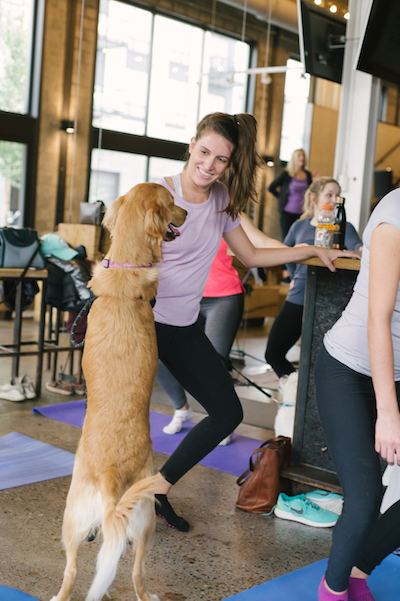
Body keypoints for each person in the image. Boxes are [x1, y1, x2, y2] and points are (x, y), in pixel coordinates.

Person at [152, 111, 356, 532]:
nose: (209, 165)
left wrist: (311, 252)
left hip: (184, 327)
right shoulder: (158, 193)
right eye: (204, 152)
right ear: (191, 145)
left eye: (221, 159)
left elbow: (253, 255)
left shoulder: (221, 200)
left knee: (226, 412)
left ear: (229, 163)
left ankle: (156, 488)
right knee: (121, 418)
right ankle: (103, 503)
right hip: (144, 325)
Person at [314, 187, 400, 601]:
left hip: (397, 373)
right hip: (348, 367)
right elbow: (377, 319)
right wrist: (388, 412)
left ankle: (359, 571)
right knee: (365, 497)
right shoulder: (396, 213)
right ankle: (332, 590)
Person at [157, 211, 287, 441]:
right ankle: (182, 408)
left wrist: (302, 254)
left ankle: (220, 421)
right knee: (159, 355)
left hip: (223, 297)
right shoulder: (176, 211)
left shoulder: (230, 214)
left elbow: (263, 243)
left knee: (215, 363)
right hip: (184, 296)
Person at [265, 177, 363, 379]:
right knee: (273, 354)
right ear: (314, 199)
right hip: (298, 295)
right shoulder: (299, 226)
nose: (335, 199)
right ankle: (294, 392)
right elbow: (286, 253)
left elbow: (359, 252)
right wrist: (293, 276)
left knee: (318, 361)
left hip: (329, 301)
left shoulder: (345, 227)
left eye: (338, 195)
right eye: (329, 195)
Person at [268, 148, 312, 240]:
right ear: (294, 158)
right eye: (299, 155)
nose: (302, 158)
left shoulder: (308, 175)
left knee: (299, 238)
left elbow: (311, 192)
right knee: (287, 238)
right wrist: (281, 198)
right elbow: (271, 187)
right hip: (287, 212)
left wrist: (315, 182)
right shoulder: (287, 174)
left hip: (303, 213)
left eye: (303, 155)